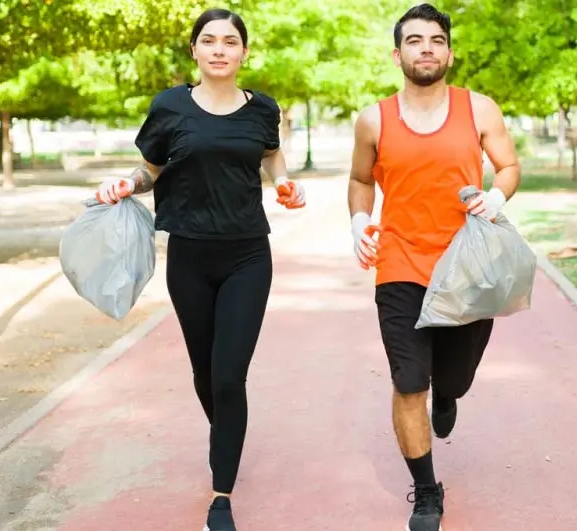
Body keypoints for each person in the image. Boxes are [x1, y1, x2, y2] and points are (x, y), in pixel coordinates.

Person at [92, 9, 305, 531]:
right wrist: (127, 185)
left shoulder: (263, 110)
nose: (218, 49)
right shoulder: (169, 107)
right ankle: (226, 431)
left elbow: (271, 157)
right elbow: (152, 170)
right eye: (208, 41)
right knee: (204, 371)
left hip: (248, 256)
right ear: (194, 51)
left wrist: (284, 183)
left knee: (230, 375)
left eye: (229, 42)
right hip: (188, 256)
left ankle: (221, 496)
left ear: (244, 53)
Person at [346, 4, 521, 530]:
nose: (427, 47)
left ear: (448, 51)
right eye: (416, 40)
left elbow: (509, 166)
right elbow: (360, 179)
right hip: (399, 264)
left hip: (468, 267)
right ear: (397, 54)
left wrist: (497, 196)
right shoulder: (374, 118)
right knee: (407, 384)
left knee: (455, 378)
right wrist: (359, 220)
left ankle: (449, 394)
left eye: (437, 40)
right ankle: (426, 492)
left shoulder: (480, 109)